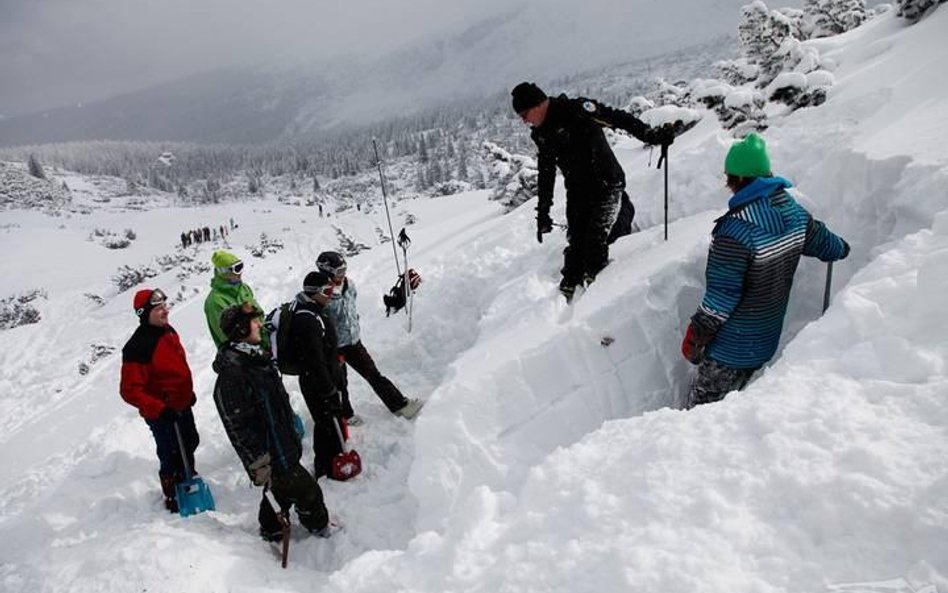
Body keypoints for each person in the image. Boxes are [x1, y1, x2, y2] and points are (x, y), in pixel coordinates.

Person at [681, 133, 850, 407]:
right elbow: (826, 244)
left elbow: (721, 297)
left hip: (729, 350)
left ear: (734, 179)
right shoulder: (793, 213)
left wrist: (696, 336)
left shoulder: (734, 233)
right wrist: (839, 247)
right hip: (765, 343)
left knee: (699, 411)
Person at [511, 81, 676, 301]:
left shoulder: (577, 110)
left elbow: (617, 118)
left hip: (607, 183)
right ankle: (566, 297)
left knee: (596, 242)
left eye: (525, 113)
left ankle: (600, 302)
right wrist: (543, 212)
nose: (524, 120)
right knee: (576, 246)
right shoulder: (542, 134)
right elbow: (546, 173)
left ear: (539, 103)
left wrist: (650, 135)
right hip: (578, 193)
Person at [213, 303, 336, 540]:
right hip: (272, 454)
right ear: (240, 330)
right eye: (253, 322)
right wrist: (258, 463)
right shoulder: (233, 376)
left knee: (279, 491)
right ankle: (319, 528)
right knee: (308, 492)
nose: (260, 325)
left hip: (283, 444)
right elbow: (237, 427)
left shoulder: (256, 359)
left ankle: (271, 529)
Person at [316, 251, 424, 422]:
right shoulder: (321, 294)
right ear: (326, 271)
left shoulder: (349, 285)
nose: (343, 274)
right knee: (339, 383)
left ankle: (400, 405)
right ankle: (345, 415)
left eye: (344, 269)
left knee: (373, 374)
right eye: (338, 272)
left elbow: (350, 307)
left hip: (353, 341)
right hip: (334, 346)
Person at [119, 288, 200, 513]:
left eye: (165, 305)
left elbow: (175, 366)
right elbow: (129, 390)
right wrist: (160, 408)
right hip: (162, 414)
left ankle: (188, 477)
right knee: (171, 452)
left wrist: (186, 393)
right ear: (144, 313)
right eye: (158, 308)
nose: (165, 310)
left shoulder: (168, 331)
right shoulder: (137, 347)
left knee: (190, 441)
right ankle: (173, 495)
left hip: (181, 405)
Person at [286, 270, 350, 479]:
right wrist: (328, 388)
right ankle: (325, 466)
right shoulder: (307, 320)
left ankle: (332, 459)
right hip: (317, 383)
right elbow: (314, 361)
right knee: (324, 424)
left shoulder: (315, 310)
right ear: (314, 292)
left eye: (332, 289)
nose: (331, 293)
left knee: (329, 421)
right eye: (327, 290)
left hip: (324, 378)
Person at [204, 250, 267, 349]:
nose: (240, 273)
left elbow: (258, 315)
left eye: (241, 267)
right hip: (243, 357)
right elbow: (227, 336)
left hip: (262, 345)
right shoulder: (215, 301)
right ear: (223, 272)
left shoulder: (243, 288)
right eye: (236, 269)